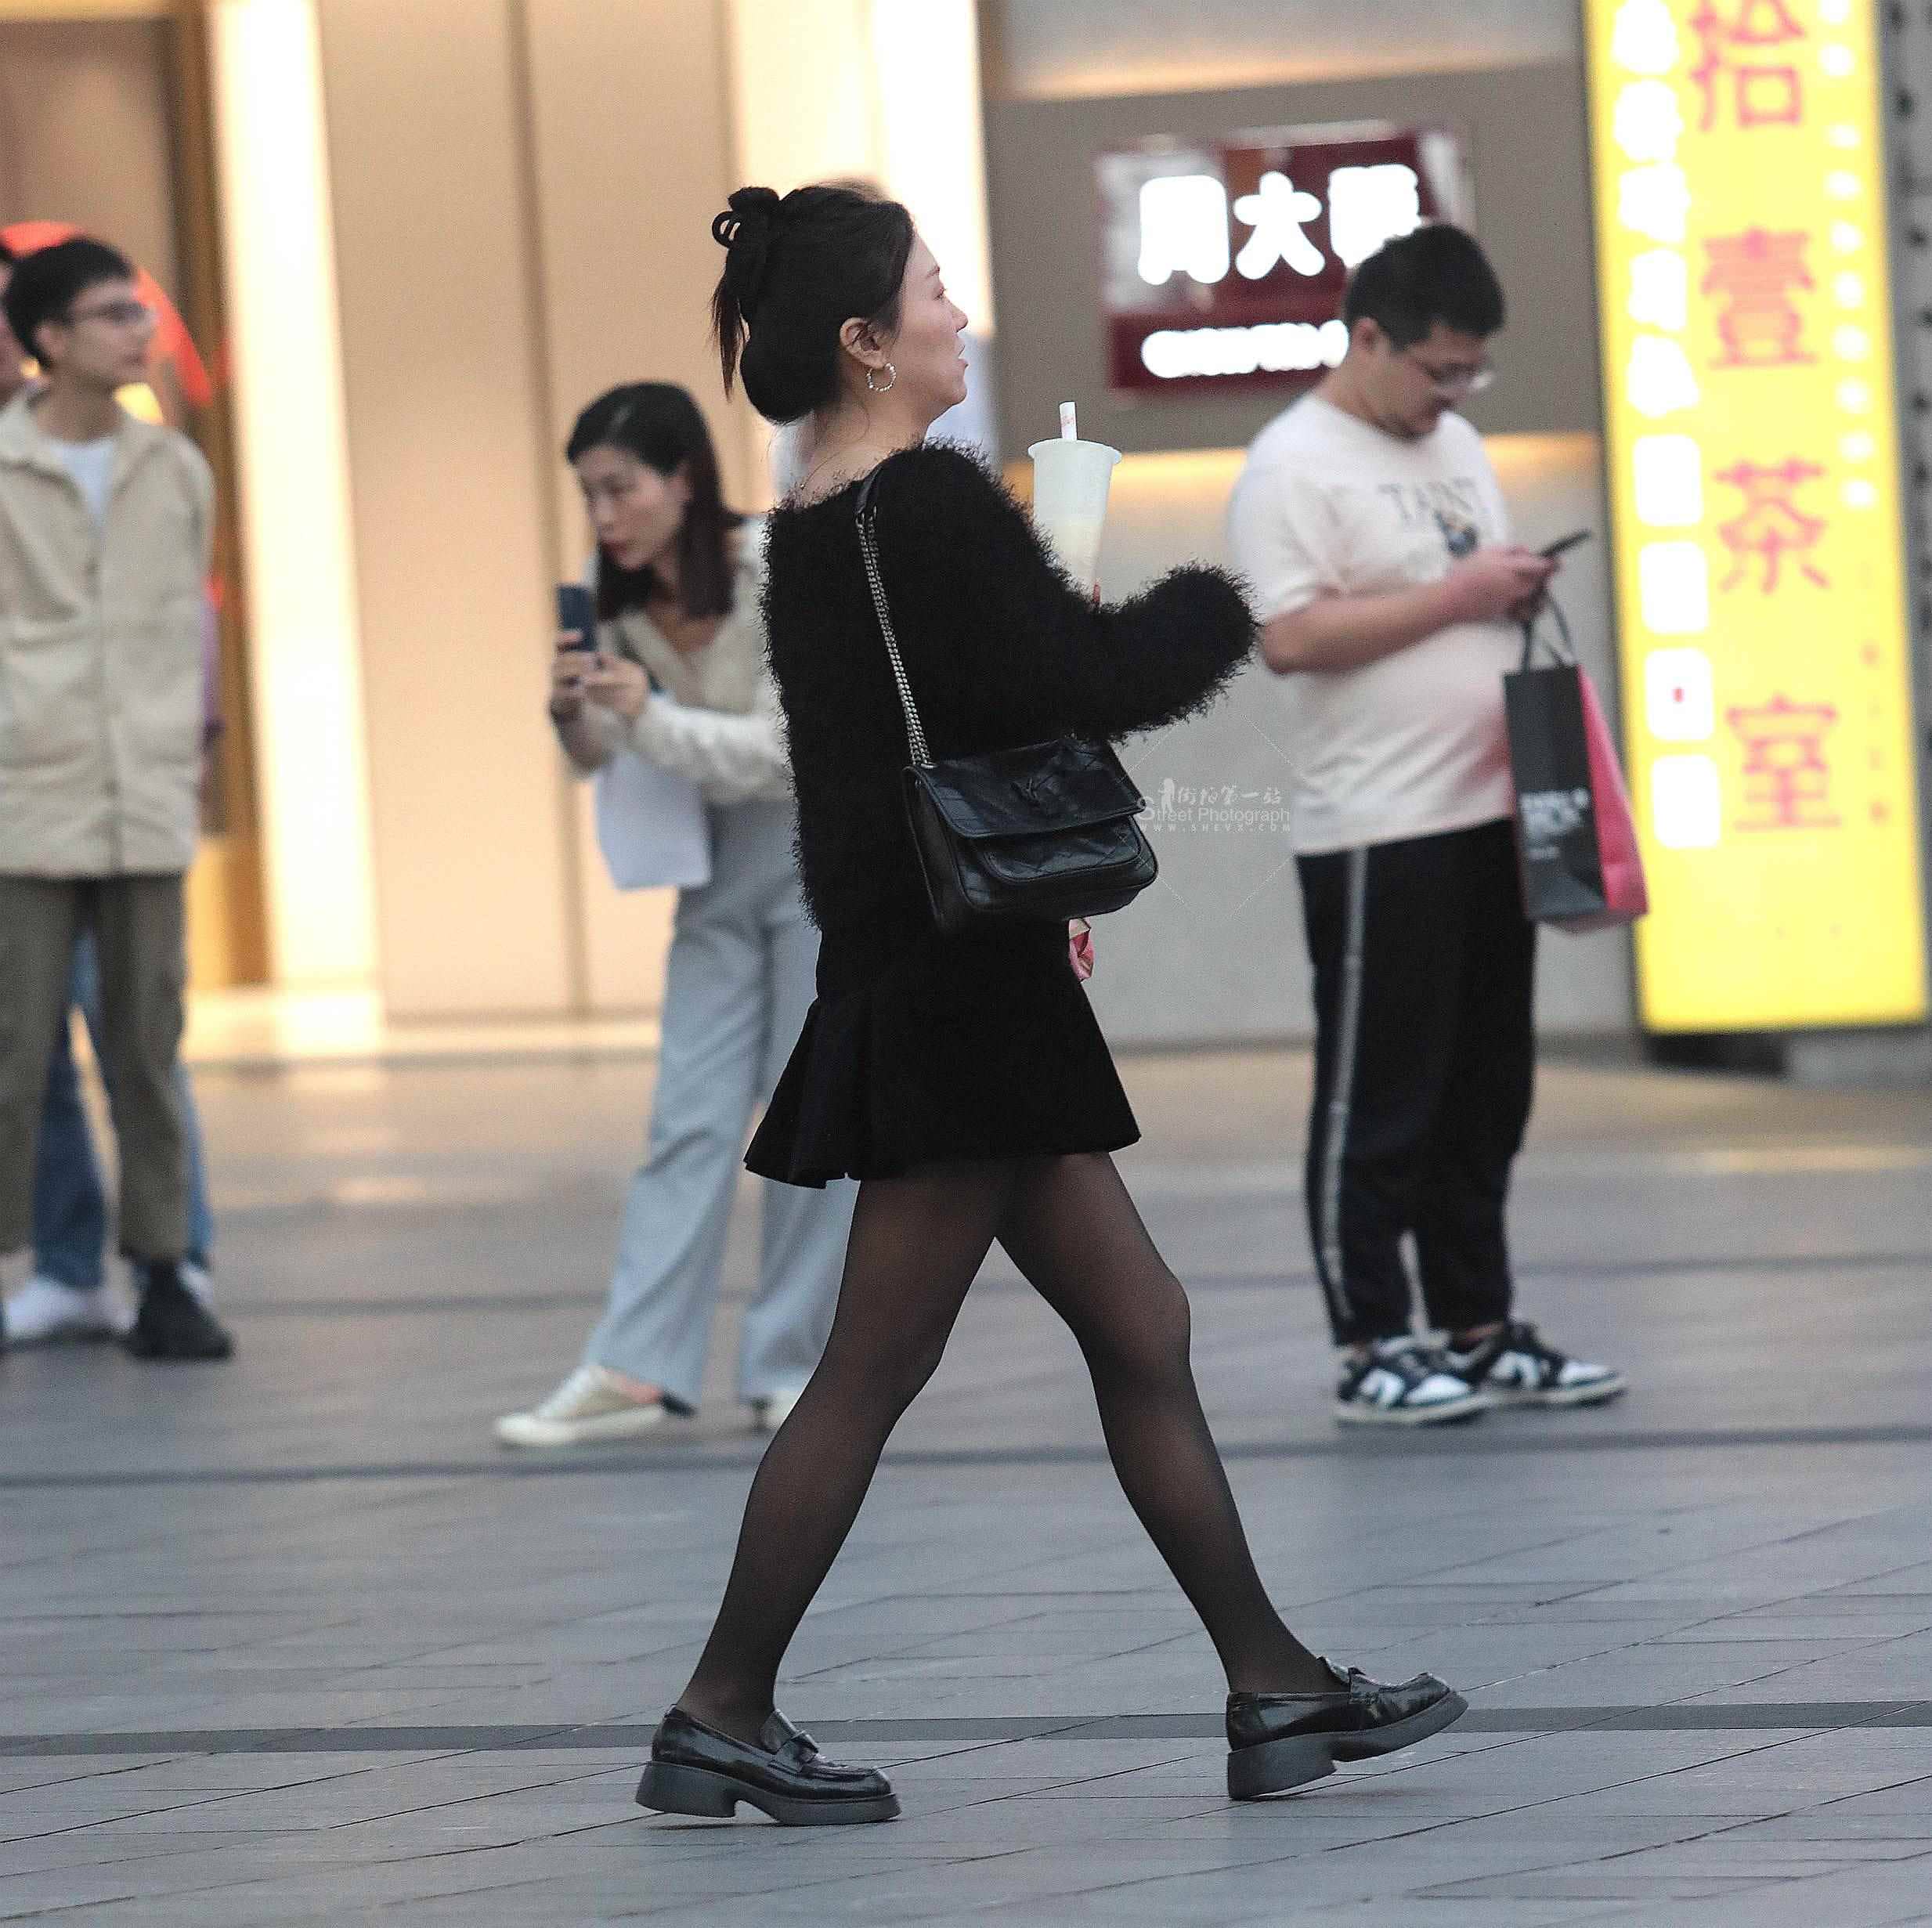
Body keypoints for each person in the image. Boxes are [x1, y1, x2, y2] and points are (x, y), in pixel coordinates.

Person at [632, 182, 1468, 1830]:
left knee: (1140, 1325)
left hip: (934, 974)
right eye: (934, 291)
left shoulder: (810, 530)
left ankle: (1273, 1682)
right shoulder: (927, 506)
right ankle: (719, 1707)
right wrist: (1216, 604)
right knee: (870, 1371)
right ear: (865, 340)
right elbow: (1092, 681)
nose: (958, 315)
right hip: (962, 998)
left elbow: (885, 768)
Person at [1228, 226, 1625, 1427]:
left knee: (1484, 1092)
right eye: (1440, 369)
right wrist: (1459, 595)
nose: (1455, 393)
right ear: (1369, 339)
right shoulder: (1290, 464)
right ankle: (1371, 1342)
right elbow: (1288, 636)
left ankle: (1478, 1323)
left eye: (1472, 372)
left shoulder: (1455, 443)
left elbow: (1461, 581)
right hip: (1378, 828)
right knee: (1379, 1097)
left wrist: (1500, 587)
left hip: (1491, 809)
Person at [493, 383, 855, 1446]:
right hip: (713, 874)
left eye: (622, 489)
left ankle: (792, 1364)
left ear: (685, 478)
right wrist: (574, 714)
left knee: (810, 1127)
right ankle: (635, 1367)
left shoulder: (776, 568)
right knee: (687, 1122)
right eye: (589, 494)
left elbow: (788, 752)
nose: (604, 515)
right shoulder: (614, 601)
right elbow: (603, 758)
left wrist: (646, 716)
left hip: (818, 863)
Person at [0, 236, 232, 1360]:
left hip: (144, 799)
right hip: (25, 800)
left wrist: (194, 744)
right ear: (49, 340)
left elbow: (191, 624)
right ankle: (42, 1263)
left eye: (139, 311)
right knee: (16, 1049)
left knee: (146, 1048)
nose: (141, 332)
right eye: (113, 315)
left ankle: (165, 1269)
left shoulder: (175, 469)